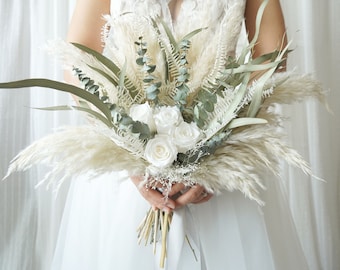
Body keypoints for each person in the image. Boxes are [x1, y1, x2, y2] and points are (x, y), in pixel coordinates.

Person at [51, 1, 308, 269]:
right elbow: (80, 50)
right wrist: (127, 147)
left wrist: (218, 152)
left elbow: (270, 54)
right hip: (125, 167)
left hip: (224, 153)